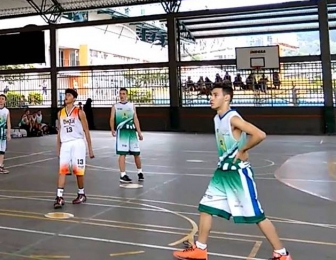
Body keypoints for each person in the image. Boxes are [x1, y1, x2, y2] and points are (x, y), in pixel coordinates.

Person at [172, 85, 292, 260]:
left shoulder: (233, 118)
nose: (211, 98)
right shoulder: (216, 119)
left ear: (226, 98)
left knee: (257, 216)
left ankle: (281, 254)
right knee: (206, 207)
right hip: (222, 172)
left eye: (215, 95)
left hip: (238, 174)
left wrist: (243, 149)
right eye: (211, 95)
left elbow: (259, 134)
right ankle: (200, 249)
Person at [54, 88, 94, 209]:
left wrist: (90, 149)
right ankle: (59, 197)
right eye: (66, 95)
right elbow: (59, 131)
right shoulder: (60, 113)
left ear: (74, 98)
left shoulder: (80, 112)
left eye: (69, 95)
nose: (66, 96)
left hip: (78, 143)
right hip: (65, 143)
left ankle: (81, 193)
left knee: (78, 171)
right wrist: (58, 146)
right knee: (63, 170)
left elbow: (86, 130)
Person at [110, 87, 144, 183]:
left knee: (136, 153)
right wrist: (112, 129)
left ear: (127, 95)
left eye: (124, 93)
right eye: (120, 93)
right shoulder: (115, 106)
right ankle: (123, 174)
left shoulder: (132, 106)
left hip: (132, 132)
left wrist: (139, 132)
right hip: (122, 132)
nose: (122, 95)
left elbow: (135, 119)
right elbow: (112, 119)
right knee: (122, 153)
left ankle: (140, 172)